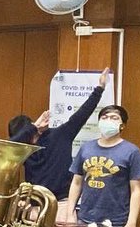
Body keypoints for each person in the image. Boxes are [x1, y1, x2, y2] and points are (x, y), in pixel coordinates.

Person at [9, 68, 111, 202]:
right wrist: (33, 129)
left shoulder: (60, 134)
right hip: (34, 201)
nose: (31, 140)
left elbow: (82, 114)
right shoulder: (21, 147)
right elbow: (9, 146)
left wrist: (100, 88)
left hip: (63, 200)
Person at [67, 103, 140, 227]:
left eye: (114, 118)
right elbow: (76, 182)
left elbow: (136, 191)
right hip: (85, 219)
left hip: (116, 222)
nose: (108, 120)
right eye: (104, 117)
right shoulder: (86, 148)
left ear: (123, 125)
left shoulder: (132, 151)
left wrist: (131, 223)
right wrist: (70, 214)